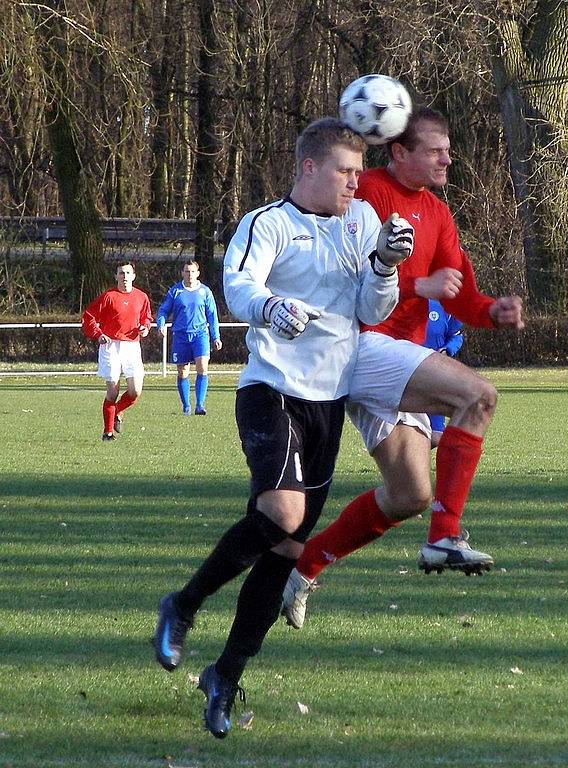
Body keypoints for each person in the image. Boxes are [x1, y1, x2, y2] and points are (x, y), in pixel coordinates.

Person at [152, 117, 407, 738]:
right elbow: (237, 285)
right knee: (285, 515)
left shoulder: (364, 222)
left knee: (285, 547)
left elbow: (374, 310)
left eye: (358, 171)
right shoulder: (270, 222)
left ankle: (225, 675)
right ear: (308, 168)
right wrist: (269, 306)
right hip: (271, 390)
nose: (355, 183)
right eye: (346, 171)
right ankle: (183, 605)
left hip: (328, 399)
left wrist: (382, 265)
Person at [282, 106, 524, 630]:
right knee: (478, 396)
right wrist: (419, 287)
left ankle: (304, 566)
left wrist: (492, 313)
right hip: (361, 344)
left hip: (395, 358)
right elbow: (343, 275)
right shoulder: (364, 190)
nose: (447, 158)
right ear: (399, 152)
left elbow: (460, 294)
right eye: (435, 150)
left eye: (447, 149)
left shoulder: (437, 212)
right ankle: (444, 538)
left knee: (410, 495)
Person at [82, 261, 152, 441]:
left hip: (132, 346)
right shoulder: (108, 296)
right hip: (111, 345)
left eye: (128, 273)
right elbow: (88, 316)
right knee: (112, 392)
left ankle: (117, 412)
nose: (125, 276)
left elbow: (146, 318)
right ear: (116, 276)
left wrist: (145, 327)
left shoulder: (141, 297)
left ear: (134, 276)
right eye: (121, 273)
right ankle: (108, 433)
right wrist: (98, 334)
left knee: (135, 391)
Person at [157, 260, 222, 416]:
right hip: (181, 336)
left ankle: (200, 405)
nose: (190, 274)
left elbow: (212, 316)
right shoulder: (175, 291)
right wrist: (161, 324)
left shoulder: (205, 292)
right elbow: (163, 311)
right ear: (182, 273)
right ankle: (186, 406)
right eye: (187, 271)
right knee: (183, 372)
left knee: (202, 367)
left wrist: (216, 336)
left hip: (200, 334)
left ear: (198, 273)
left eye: (192, 271)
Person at [423, 299, 464, 447]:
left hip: (435, 375)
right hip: (406, 374)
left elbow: (456, 335)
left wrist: (448, 349)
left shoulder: (445, 305)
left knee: (436, 436)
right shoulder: (403, 297)